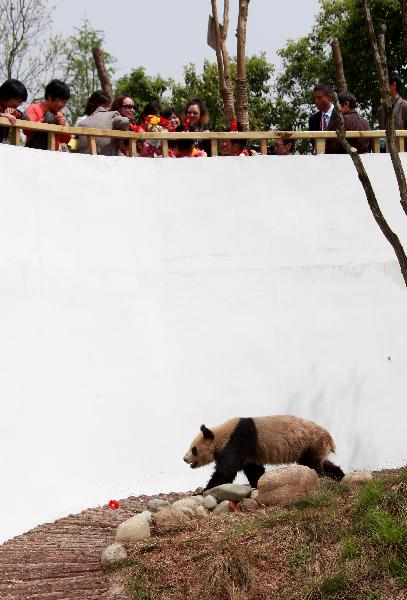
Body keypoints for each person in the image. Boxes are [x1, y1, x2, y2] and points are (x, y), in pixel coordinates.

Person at [24, 79, 71, 150]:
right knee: (50, 117)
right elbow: (27, 131)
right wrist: (47, 121)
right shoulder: (33, 108)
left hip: (52, 155)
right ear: (50, 97)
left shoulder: (59, 114)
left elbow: (66, 140)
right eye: (60, 101)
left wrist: (63, 127)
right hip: (34, 152)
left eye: (64, 102)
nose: (62, 105)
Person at [309, 82, 338, 153]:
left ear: (330, 97)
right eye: (315, 98)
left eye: (319, 98)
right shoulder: (313, 119)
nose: (316, 101)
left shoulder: (341, 116)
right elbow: (313, 142)